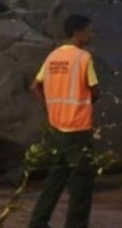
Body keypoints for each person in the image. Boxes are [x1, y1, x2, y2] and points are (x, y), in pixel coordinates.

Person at [29, 14, 100, 228]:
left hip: (57, 125)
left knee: (56, 178)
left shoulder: (53, 56)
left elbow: (34, 86)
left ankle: (38, 222)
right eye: (88, 30)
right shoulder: (83, 58)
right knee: (81, 183)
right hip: (77, 127)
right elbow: (94, 91)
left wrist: (49, 109)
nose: (91, 34)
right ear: (77, 32)